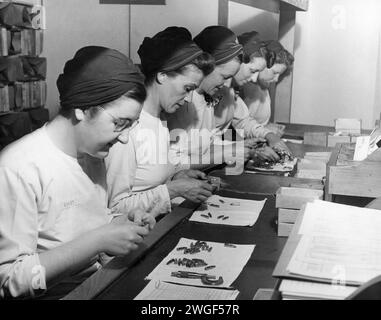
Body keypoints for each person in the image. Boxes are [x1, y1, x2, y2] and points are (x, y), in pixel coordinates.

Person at [0, 46, 155, 299]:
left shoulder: (92, 152)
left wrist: (118, 221)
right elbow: (10, 282)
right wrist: (99, 241)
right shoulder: (19, 167)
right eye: (120, 123)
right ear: (82, 108)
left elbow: (80, 222)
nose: (126, 138)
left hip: (95, 286)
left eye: (132, 125)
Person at [106, 27, 216, 217]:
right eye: (187, 88)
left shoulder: (159, 119)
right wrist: (174, 189)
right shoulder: (129, 128)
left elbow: (146, 180)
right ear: (162, 75)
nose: (189, 98)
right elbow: (114, 208)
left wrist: (175, 176)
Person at [241, 40, 294, 130]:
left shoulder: (264, 87)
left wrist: (268, 126)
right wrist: (264, 132)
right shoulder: (244, 87)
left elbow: (255, 122)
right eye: (274, 72)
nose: (276, 79)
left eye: (279, 75)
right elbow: (228, 132)